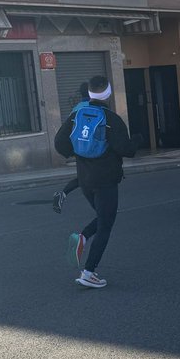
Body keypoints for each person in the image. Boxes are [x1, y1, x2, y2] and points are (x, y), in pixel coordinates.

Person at [54, 74, 136, 289]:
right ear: (108, 92)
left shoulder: (76, 115)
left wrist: (80, 153)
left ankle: (83, 237)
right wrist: (138, 141)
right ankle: (89, 272)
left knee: (103, 217)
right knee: (106, 224)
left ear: (90, 92)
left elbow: (60, 144)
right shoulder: (112, 119)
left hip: (85, 179)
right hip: (106, 179)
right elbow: (127, 150)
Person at [52, 82, 89, 214]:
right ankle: (103, 209)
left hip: (76, 146)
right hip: (87, 147)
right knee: (90, 176)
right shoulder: (93, 107)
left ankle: (62, 194)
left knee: (84, 176)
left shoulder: (77, 107)